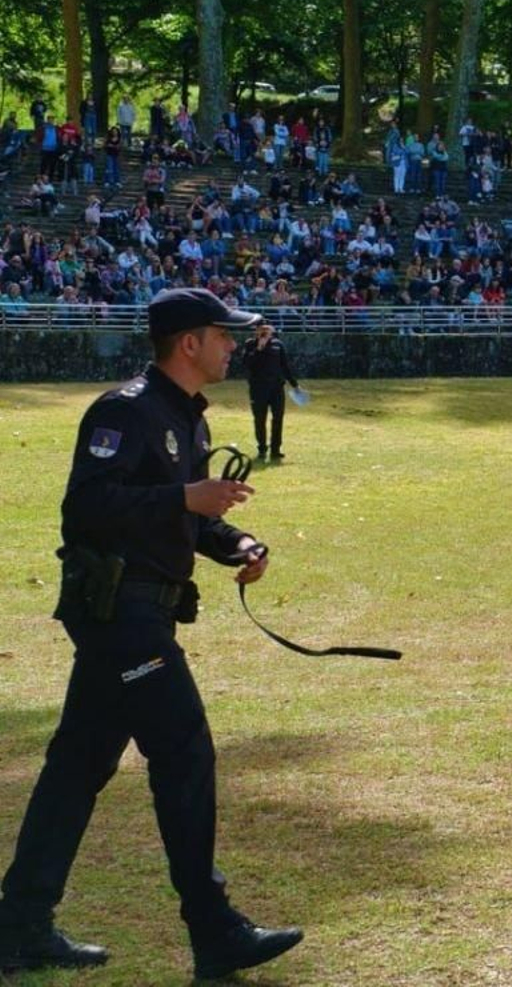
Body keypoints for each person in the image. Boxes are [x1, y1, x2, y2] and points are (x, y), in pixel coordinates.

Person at [0, 288, 303, 979]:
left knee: (78, 765)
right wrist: (183, 497)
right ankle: (214, 928)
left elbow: (189, 517)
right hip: (120, 615)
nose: (232, 345)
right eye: (222, 334)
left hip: (145, 613)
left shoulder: (187, 419)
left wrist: (236, 541)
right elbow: (86, 506)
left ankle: (18, 925)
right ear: (188, 343)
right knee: (184, 751)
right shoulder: (126, 410)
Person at [241, 323, 299, 461]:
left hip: (277, 388)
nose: (265, 332)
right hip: (258, 389)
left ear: (272, 330)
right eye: (262, 329)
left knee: (278, 418)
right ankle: (262, 448)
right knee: (260, 419)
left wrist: (294, 384)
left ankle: (275, 449)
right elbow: (247, 363)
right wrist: (259, 348)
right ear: (256, 331)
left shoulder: (278, 344)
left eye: (267, 329)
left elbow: (284, 366)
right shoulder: (250, 344)